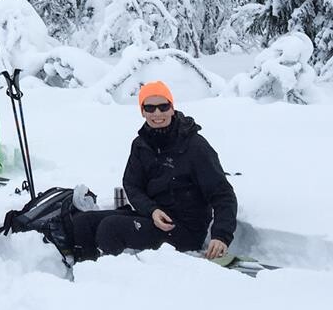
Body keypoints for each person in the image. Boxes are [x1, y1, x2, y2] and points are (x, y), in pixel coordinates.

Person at [69, 81, 237, 262]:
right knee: (82, 223)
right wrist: (152, 211)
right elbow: (132, 185)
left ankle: (116, 282)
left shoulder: (195, 146)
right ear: (142, 111)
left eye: (163, 106)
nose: (157, 113)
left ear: (172, 108)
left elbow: (223, 194)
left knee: (110, 228)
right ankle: (86, 275)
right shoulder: (141, 144)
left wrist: (221, 235)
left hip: (184, 229)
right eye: (150, 108)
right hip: (151, 217)